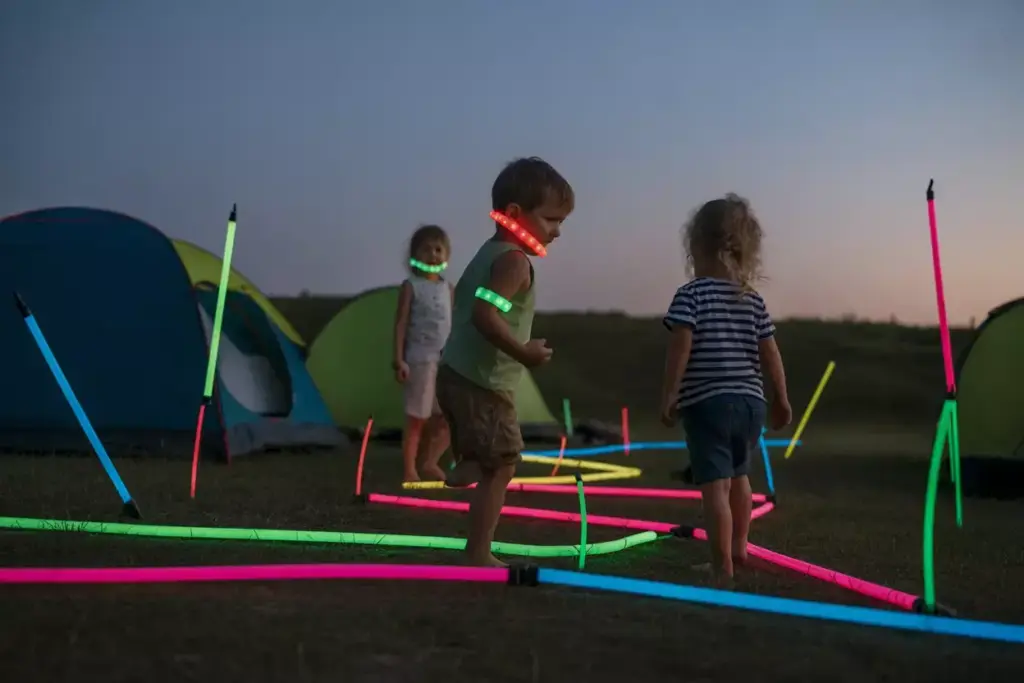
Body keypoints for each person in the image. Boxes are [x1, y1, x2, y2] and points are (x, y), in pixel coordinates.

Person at [436, 156, 574, 567]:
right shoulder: (513, 261)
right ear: (515, 213)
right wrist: (524, 352)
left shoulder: (487, 253)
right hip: (483, 382)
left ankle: (466, 465)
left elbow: (470, 303)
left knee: (488, 458)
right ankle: (478, 553)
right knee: (504, 465)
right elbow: (485, 314)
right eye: (551, 220)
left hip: (456, 374)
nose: (557, 232)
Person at [658, 193, 792, 586]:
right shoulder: (753, 300)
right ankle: (739, 548)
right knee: (740, 479)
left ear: (697, 247)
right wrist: (781, 398)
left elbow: (680, 348)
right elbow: (770, 353)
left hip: (708, 405)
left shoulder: (691, 295)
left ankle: (722, 566)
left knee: (714, 487)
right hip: (752, 405)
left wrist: (670, 393)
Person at [393, 224, 454, 483]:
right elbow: (401, 324)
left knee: (449, 417)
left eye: (438, 249)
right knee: (417, 418)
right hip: (420, 360)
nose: (433, 254)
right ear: (415, 255)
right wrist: (399, 359)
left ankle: (429, 462)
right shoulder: (411, 286)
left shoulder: (447, 288)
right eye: (426, 249)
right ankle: (410, 469)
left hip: (445, 361)